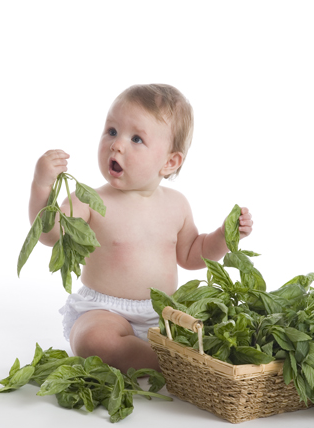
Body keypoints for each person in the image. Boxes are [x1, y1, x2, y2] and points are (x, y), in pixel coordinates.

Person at [29, 84, 253, 373]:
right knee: (93, 340)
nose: (116, 144)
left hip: (161, 313)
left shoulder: (177, 205)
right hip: (104, 310)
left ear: (170, 162)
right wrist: (41, 186)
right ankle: (163, 361)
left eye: (136, 138)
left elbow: (193, 254)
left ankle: (162, 354)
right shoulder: (89, 201)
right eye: (111, 131)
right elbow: (49, 234)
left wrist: (223, 236)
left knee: (211, 330)